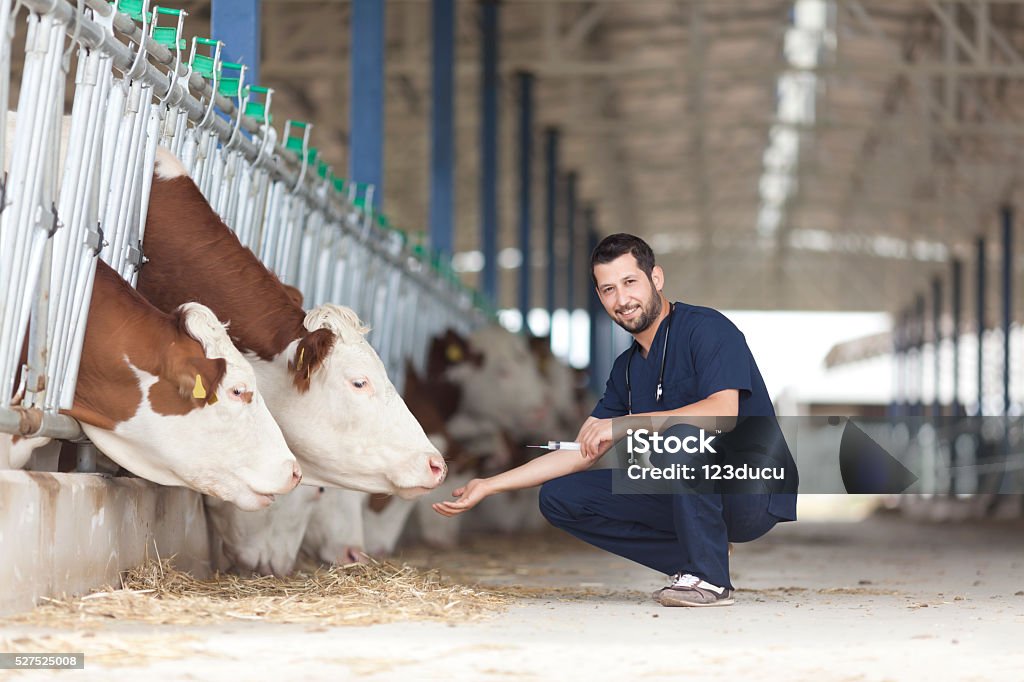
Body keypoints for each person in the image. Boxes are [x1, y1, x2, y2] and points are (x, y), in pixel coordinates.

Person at [433, 233, 797, 607]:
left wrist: (626, 423)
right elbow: (581, 450)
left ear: (656, 279)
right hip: (686, 491)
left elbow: (722, 411)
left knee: (682, 439)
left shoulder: (707, 330)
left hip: (752, 491)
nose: (622, 300)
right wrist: (490, 485)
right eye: (608, 290)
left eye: (629, 283)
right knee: (561, 497)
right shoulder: (625, 370)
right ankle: (697, 558)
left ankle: (710, 580)